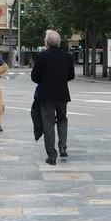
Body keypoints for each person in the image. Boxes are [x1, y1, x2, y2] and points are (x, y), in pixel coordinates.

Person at [30, 30, 75, 165]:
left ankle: (51, 155)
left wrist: (44, 81)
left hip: (46, 95)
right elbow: (71, 75)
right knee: (62, 119)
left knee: (48, 123)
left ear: (46, 41)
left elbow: (34, 77)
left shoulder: (41, 56)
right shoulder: (67, 56)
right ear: (59, 41)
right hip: (62, 94)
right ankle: (63, 146)